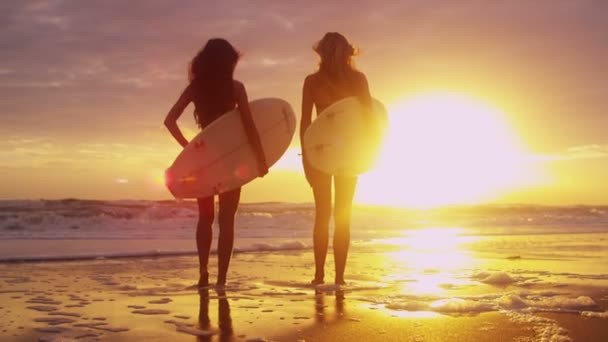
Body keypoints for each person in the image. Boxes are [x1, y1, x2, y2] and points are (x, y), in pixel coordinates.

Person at [164, 39, 268, 287]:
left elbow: (170, 121)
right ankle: (221, 280)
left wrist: (189, 150)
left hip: (204, 163)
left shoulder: (195, 89)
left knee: (205, 217)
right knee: (227, 219)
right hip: (232, 159)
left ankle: (203, 274)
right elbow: (249, 127)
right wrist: (261, 160)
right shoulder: (236, 88)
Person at [300, 32, 373, 285]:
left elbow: (305, 126)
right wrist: (368, 153)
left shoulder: (313, 81)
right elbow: (370, 121)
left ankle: (320, 276)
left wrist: (306, 160)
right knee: (343, 214)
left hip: (321, 152)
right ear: (347, 53)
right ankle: (338, 278)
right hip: (349, 152)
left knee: (323, 214)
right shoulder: (357, 79)